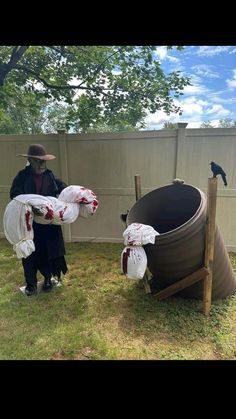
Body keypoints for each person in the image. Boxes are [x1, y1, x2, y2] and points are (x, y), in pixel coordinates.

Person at [10, 144, 68, 296]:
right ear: (30, 160)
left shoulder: (50, 175)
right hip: (28, 225)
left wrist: (78, 197)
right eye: (38, 161)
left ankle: (48, 279)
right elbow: (14, 195)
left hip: (48, 224)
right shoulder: (22, 176)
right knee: (29, 253)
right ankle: (31, 284)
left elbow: (64, 190)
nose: (42, 164)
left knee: (49, 251)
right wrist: (30, 206)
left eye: (44, 161)